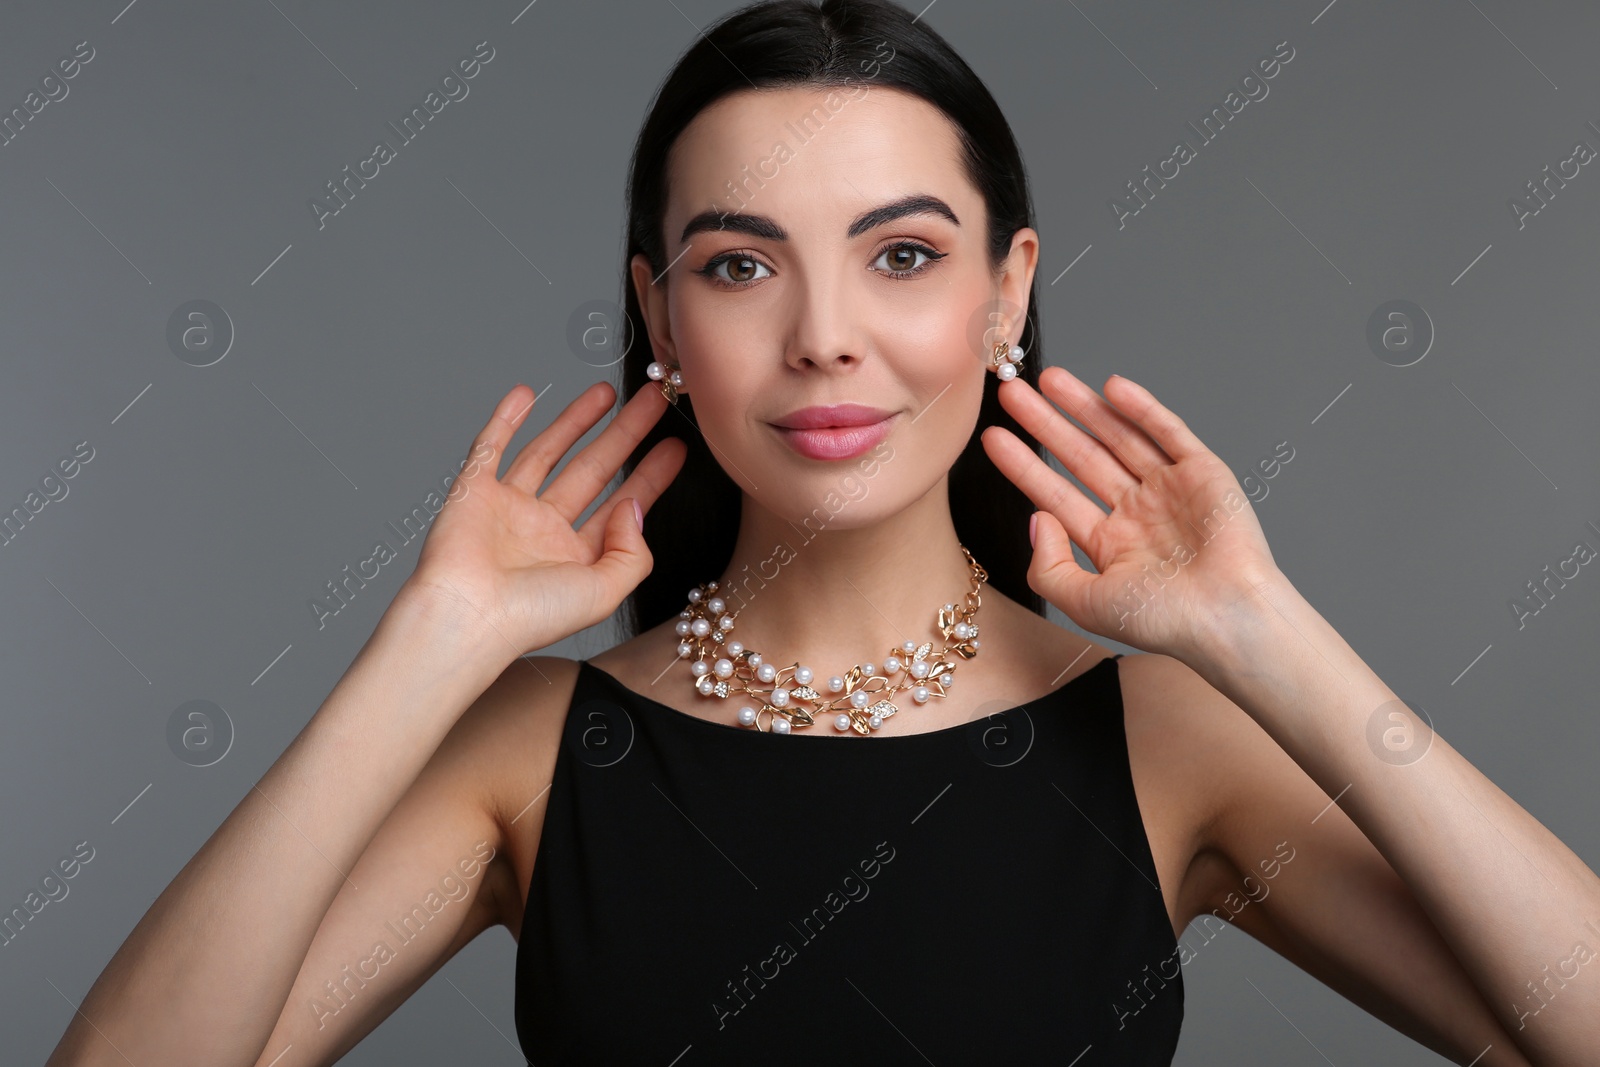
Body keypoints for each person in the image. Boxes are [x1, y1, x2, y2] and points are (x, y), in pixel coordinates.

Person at [47, 1, 1600, 1064]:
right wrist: (430, 645)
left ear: (1004, 292)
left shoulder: (1160, 737)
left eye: (903, 255)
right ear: (660, 312)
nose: (824, 338)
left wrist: (1264, 629)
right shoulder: (534, 751)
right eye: (739, 268)